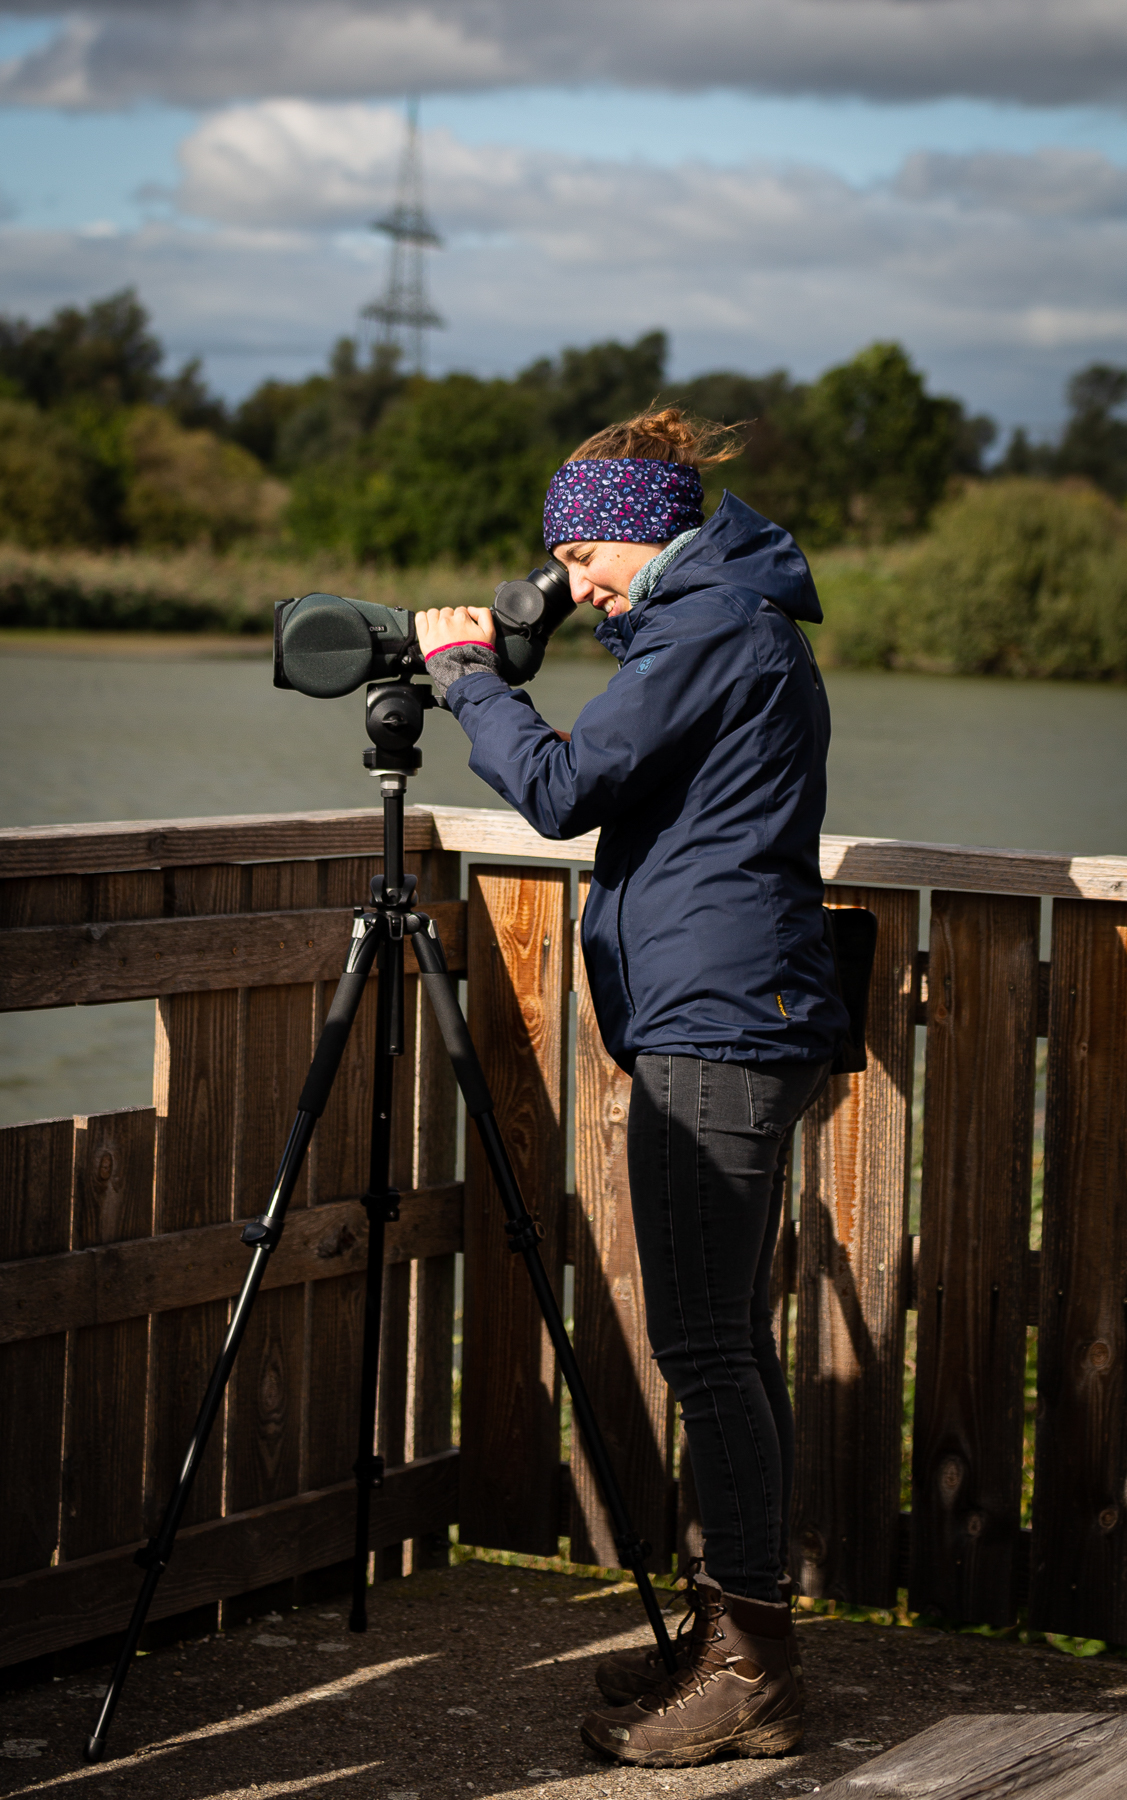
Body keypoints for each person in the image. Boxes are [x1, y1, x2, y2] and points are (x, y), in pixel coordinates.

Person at [415, 408, 848, 1767]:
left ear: (649, 528)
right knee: (723, 1344)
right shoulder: (717, 614)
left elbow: (557, 790)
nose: (580, 578)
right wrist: (556, 630)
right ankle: (732, 1631)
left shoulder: (713, 626)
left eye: (585, 552)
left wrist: (469, 674)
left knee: (709, 1349)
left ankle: (752, 1670)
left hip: (721, 1018)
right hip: (725, 1003)